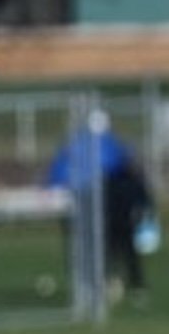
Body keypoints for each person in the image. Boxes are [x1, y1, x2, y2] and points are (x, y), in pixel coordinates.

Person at [46, 109, 159, 303]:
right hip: (110, 210)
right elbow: (130, 174)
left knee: (82, 249)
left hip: (78, 205)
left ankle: (90, 286)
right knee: (119, 249)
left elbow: (58, 174)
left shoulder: (75, 145)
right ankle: (127, 285)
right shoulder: (112, 148)